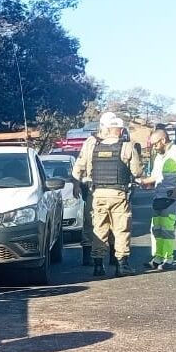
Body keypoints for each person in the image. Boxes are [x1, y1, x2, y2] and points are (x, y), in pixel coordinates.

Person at [72, 113, 146, 276]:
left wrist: (77, 184)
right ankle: (121, 264)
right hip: (118, 193)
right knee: (120, 229)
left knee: (98, 229)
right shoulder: (126, 146)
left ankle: (98, 266)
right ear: (120, 130)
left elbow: (78, 167)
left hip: (97, 192)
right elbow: (137, 171)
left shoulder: (93, 144)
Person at [137, 129, 176, 271]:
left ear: (163, 140)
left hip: (172, 196)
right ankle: (157, 258)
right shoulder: (159, 157)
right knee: (156, 228)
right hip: (159, 196)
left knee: (167, 228)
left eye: (155, 144)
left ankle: (168, 258)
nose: (154, 147)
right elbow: (155, 177)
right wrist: (142, 182)